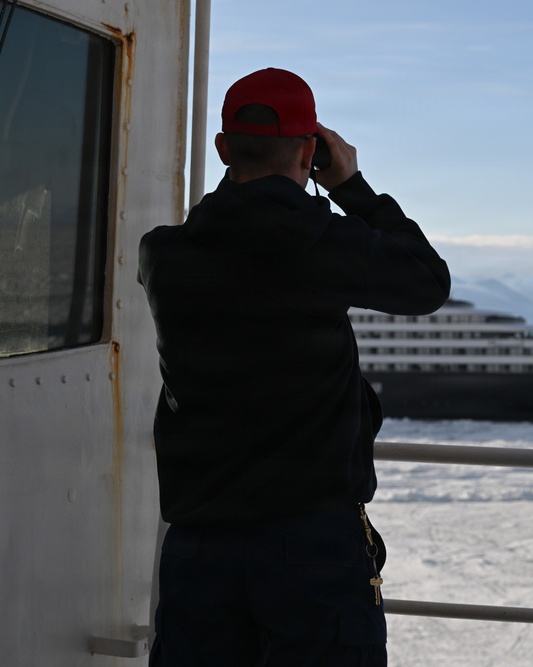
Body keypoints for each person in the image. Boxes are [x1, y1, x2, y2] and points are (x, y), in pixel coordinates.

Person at [138, 67, 450, 666]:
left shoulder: (163, 253)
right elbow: (426, 282)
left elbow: (229, 236)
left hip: (199, 546)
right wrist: (351, 187)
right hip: (313, 546)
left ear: (223, 147)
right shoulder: (329, 244)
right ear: (311, 150)